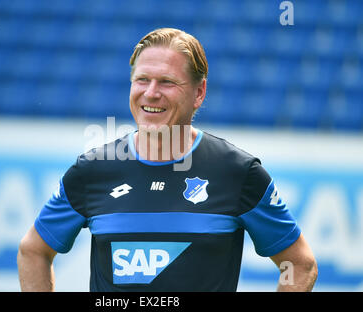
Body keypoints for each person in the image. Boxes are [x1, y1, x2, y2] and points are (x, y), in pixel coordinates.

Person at [17, 28, 318, 292]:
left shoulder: (238, 173)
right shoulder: (92, 171)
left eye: (166, 82)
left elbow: (299, 264)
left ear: (199, 93)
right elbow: (33, 251)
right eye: (142, 80)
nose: (151, 93)